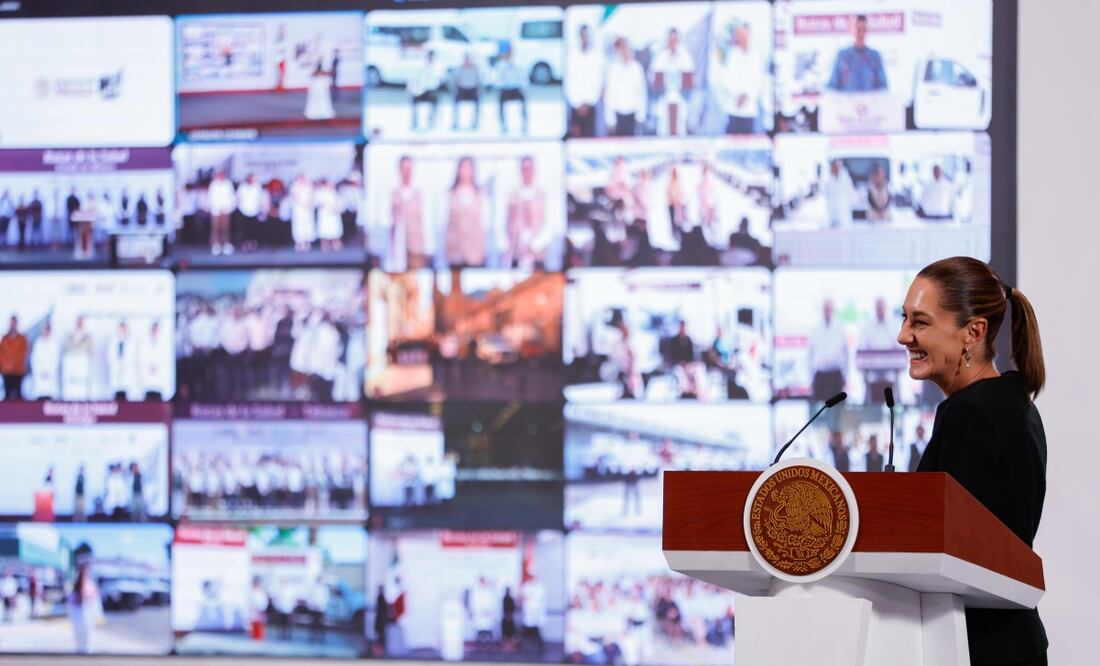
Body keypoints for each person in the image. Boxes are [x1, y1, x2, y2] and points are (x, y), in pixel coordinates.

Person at [898, 256, 1048, 665]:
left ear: (973, 332)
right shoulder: (1010, 403)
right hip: (999, 641)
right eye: (904, 318)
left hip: (976, 646)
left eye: (920, 322)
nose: (903, 335)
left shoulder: (975, 413)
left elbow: (957, 552)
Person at [713, 21, 763, 134]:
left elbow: (758, 82)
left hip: (749, 109)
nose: (741, 37)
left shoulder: (755, 56)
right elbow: (727, 79)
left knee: (749, 141)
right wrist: (737, 95)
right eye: (739, 35)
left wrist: (747, 96)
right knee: (731, 140)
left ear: (749, 35)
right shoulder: (732, 55)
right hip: (733, 108)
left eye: (744, 35)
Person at [650, 28, 694, 136]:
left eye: (675, 40)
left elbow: (690, 81)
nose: (673, 43)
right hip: (664, 98)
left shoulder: (686, 57)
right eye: (670, 40)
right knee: (663, 129)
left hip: (680, 98)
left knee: (680, 129)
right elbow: (653, 79)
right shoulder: (660, 57)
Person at [827, 14, 888, 92]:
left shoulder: (874, 56)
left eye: (863, 29)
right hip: (847, 99)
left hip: (870, 99)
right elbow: (832, 85)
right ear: (851, 29)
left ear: (867, 30)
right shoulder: (842, 55)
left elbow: (883, 86)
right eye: (857, 29)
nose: (860, 33)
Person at [505, 156, 547, 269]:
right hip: (517, 251)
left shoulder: (542, 194)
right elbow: (507, 221)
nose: (527, 172)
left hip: (537, 252)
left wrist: (535, 245)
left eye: (530, 168)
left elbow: (549, 223)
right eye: (524, 169)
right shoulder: (513, 194)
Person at [858, 297, 903, 401]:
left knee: (891, 404)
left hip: (891, 377)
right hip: (873, 378)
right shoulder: (868, 326)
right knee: (873, 405)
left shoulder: (894, 324)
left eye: (882, 308)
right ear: (875, 309)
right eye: (878, 308)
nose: (880, 310)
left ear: (886, 308)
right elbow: (862, 347)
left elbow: (900, 348)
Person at [444, 157, 485, 267]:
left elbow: (486, 224)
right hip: (454, 253)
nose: (465, 172)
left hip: (475, 253)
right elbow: (443, 224)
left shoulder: (481, 194)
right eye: (463, 168)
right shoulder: (450, 194)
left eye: (468, 168)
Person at [389, 156, 429, 271]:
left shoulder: (419, 192)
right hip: (398, 245)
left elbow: (426, 220)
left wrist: (427, 246)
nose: (407, 172)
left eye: (409, 168)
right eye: (404, 168)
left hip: (416, 246)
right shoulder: (394, 192)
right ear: (399, 170)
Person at [604, 37, 647, 136]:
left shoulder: (637, 68)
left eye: (626, 48)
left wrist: (641, 116)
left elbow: (641, 93)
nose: (624, 51)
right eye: (621, 48)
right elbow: (610, 95)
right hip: (618, 114)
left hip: (633, 114)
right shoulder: (614, 69)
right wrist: (610, 119)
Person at [565, 24, 603, 137]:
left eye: (586, 36)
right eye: (582, 36)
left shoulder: (595, 57)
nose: (584, 38)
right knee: (575, 139)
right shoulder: (572, 57)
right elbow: (569, 81)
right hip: (575, 107)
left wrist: (589, 103)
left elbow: (598, 81)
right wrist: (577, 103)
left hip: (590, 106)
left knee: (590, 140)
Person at [807, 299, 848, 400]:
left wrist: (846, 375)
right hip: (820, 375)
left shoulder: (840, 329)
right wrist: (810, 378)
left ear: (833, 310)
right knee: (820, 407)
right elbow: (810, 355)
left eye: (829, 309)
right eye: (825, 309)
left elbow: (846, 355)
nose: (827, 311)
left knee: (837, 406)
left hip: (836, 375)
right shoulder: (815, 330)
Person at [494, 47, 528, 134]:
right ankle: (503, 125)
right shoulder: (500, 65)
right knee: (500, 101)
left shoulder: (519, 64)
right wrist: (502, 86)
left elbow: (523, 78)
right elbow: (497, 79)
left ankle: (524, 124)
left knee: (524, 100)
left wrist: (523, 87)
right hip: (505, 89)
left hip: (516, 89)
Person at [69, 563, 101, 654]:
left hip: (88, 611)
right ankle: (79, 647)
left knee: (88, 630)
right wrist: (78, 599)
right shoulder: (76, 585)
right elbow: (71, 598)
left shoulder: (91, 584)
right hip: (78, 612)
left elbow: (96, 599)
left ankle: (87, 648)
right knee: (79, 631)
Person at [408, 50, 444, 131]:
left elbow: (439, 81)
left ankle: (431, 120)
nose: (430, 58)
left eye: (431, 57)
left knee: (434, 97)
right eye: (428, 57)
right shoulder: (420, 67)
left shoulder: (438, 67)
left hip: (432, 90)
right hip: (421, 90)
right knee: (413, 98)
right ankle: (415, 122)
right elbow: (415, 79)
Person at [207, 170, 236, 256]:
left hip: (225, 210)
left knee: (225, 228)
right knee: (215, 228)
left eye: (222, 174)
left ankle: (225, 245)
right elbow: (211, 197)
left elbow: (231, 196)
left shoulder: (228, 184)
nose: (221, 176)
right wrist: (216, 207)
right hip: (216, 210)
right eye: (219, 174)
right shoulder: (213, 184)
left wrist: (227, 207)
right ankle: (216, 245)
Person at [0, 316, 29, 400]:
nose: (13, 325)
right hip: (6, 371)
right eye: (11, 323)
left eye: (14, 323)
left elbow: (23, 353)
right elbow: (1, 354)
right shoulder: (4, 339)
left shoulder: (22, 339)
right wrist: (6, 364)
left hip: (18, 371)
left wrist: (13, 364)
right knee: (7, 396)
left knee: (18, 396)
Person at [30, 321, 60, 399]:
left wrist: (49, 371)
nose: (45, 332)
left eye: (47, 330)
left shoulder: (54, 343)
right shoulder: (38, 343)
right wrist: (38, 371)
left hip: (50, 374)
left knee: (50, 393)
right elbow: (34, 359)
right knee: (39, 393)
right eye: (44, 330)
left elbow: (56, 360)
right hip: (39, 374)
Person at [451, 54, 481, 130]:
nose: (467, 61)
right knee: (455, 101)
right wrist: (454, 90)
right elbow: (454, 80)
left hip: (472, 90)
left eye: (468, 59)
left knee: (478, 101)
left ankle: (475, 123)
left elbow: (479, 81)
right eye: (466, 60)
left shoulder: (475, 69)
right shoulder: (459, 69)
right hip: (462, 90)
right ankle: (455, 123)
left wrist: (479, 91)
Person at [824, 160, 855, 228]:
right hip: (832, 209)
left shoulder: (846, 179)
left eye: (837, 166)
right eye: (834, 167)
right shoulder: (828, 180)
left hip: (843, 209)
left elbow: (850, 193)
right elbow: (826, 194)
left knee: (844, 227)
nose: (836, 168)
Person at [289, 174, 316, 252]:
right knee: (298, 225)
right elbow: (294, 196)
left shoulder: (309, 186)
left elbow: (312, 197)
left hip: (308, 209)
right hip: (299, 209)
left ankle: (307, 243)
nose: (303, 180)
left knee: (308, 225)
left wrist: (309, 203)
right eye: (301, 178)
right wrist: (303, 203)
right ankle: (299, 243)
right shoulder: (294, 186)